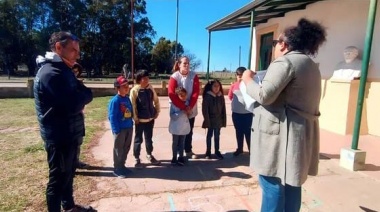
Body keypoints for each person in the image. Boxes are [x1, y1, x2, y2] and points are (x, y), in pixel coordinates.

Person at [241, 18, 327, 212]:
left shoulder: (285, 62)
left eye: (275, 42)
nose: (275, 47)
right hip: (298, 135)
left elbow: (264, 95)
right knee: (292, 184)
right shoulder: (311, 66)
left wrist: (247, 80)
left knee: (271, 182)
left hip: (280, 138)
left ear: (284, 44)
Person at [33, 31, 95, 212]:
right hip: (59, 137)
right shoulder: (50, 73)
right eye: (74, 50)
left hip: (71, 133)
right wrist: (82, 95)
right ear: (59, 48)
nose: (78, 54)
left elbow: (84, 93)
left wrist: (82, 95)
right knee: (58, 179)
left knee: (69, 174)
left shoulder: (64, 70)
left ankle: (69, 206)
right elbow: (75, 103)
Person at [168, 56, 200, 159]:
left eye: (188, 63)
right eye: (184, 63)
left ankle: (188, 150)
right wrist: (183, 107)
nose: (186, 65)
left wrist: (189, 106)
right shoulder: (174, 77)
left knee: (189, 129)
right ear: (179, 64)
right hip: (177, 107)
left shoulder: (194, 76)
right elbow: (171, 94)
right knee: (178, 130)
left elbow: (196, 92)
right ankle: (177, 151)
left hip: (190, 107)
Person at [130, 69, 161, 168]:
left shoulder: (150, 88)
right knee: (138, 140)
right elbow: (132, 105)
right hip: (140, 120)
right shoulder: (134, 90)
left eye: (148, 77)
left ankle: (149, 155)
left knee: (149, 139)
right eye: (145, 78)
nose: (147, 80)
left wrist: (157, 111)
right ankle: (137, 158)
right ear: (139, 79)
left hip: (150, 120)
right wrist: (135, 118)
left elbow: (156, 100)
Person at [108, 76, 134, 178]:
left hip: (129, 127)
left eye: (127, 86)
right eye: (124, 86)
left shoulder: (127, 98)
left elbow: (130, 111)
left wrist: (132, 123)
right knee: (119, 148)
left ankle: (122, 165)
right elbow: (112, 116)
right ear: (118, 88)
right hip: (120, 130)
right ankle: (117, 168)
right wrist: (116, 130)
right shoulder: (115, 101)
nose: (127, 88)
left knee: (126, 148)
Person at [228, 66, 253, 157]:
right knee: (238, 132)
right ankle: (240, 149)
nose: (240, 77)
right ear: (236, 75)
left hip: (248, 114)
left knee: (248, 133)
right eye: (238, 75)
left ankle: (251, 150)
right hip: (236, 114)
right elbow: (230, 96)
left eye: (242, 75)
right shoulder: (233, 85)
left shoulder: (250, 85)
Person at [201, 79, 226, 160]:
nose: (217, 88)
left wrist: (223, 120)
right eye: (214, 86)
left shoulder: (220, 96)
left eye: (218, 86)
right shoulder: (208, 96)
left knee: (217, 136)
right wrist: (207, 121)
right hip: (210, 120)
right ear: (210, 87)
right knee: (209, 136)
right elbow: (205, 110)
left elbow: (223, 110)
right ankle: (208, 151)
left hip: (218, 120)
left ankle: (217, 151)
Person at [71, 63, 89, 169]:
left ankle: (76, 161)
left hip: (79, 115)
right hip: (69, 117)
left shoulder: (78, 83)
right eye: (73, 71)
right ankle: (71, 164)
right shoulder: (65, 83)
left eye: (77, 71)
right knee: (71, 142)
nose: (75, 73)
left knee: (78, 141)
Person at [169, 87, 191, 166]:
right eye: (181, 95)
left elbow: (189, 114)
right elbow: (172, 116)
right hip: (175, 126)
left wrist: (188, 111)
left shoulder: (187, 103)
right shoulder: (173, 104)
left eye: (185, 95)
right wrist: (182, 111)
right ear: (177, 96)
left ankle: (181, 157)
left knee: (182, 142)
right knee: (175, 142)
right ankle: (174, 157)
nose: (183, 97)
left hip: (184, 126)